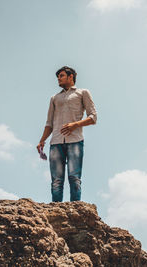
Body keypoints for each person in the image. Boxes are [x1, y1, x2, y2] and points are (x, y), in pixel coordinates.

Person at [36, 66, 97, 202]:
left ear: (71, 77)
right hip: (56, 142)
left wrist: (75, 125)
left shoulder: (83, 93)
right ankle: (56, 211)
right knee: (56, 181)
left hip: (75, 140)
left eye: (61, 75)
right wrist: (42, 140)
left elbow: (93, 117)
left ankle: (75, 209)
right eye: (58, 76)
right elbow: (49, 123)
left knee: (74, 178)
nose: (58, 78)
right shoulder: (54, 98)